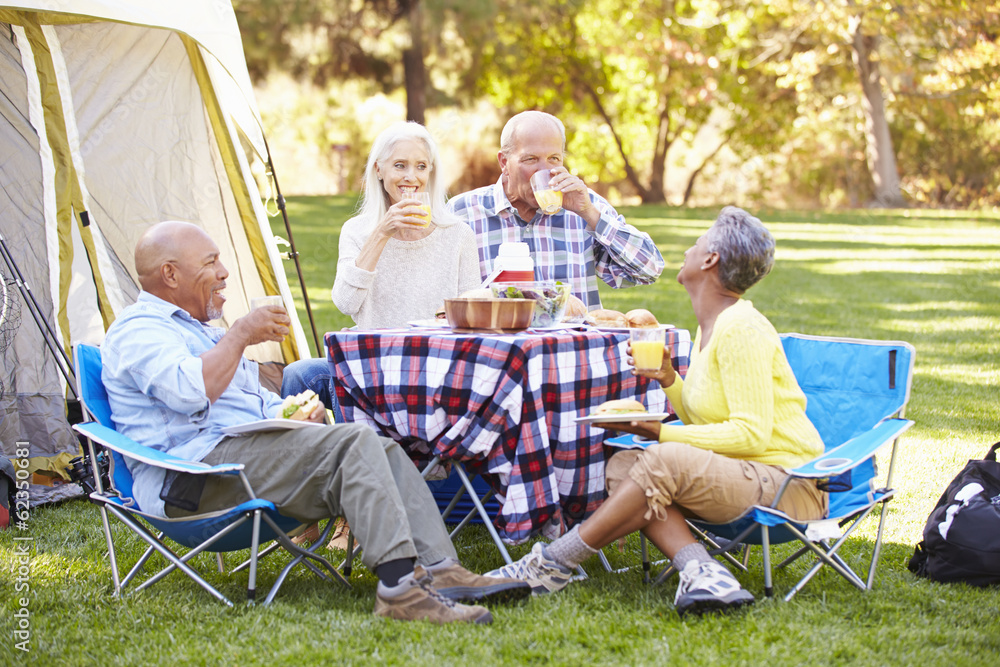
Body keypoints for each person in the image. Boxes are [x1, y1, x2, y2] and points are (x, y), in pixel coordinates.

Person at [101, 221, 529, 624]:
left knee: (380, 446)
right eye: (210, 262)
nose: (224, 272)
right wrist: (242, 334)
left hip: (242, 461)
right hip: (194, 480)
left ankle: (441, 570)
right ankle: (401, 591)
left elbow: (252, 406)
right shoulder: (138, 330)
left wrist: (295, 417)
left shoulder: (202, 332)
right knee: (354, 440)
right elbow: (190, 392)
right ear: (171, 274)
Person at [486, 207, 827, 617]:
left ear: (710, 260)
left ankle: (554, 562)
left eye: (698, 242)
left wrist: (659, 432)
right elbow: (709, 421)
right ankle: (703, 572)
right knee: (626, 463)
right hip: (744, 473)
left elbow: (749, 435)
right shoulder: (710, 326)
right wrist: (669, 378)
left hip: (790, 486)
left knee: (660, 459)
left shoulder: (741, 329)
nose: (689, 248)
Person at [282, 120, 480, 421]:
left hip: (436, 365)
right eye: (400, 165)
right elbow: (346, 303)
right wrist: (381, 233)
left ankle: (372, 454)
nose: (411, 177)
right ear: (379, 170)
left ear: (431, 172)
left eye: (421, 166)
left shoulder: (458, 234)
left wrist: (447, 317)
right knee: (299, 374)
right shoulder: (358, 231)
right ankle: (316, 460)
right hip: (370, 363)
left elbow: (474, 316)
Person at [447, 110, 665, 310]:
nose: (545, 170)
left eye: (554, 159)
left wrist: (590, 214)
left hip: (569, 349)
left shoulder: (584, 209)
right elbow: (439, 294)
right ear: (504, 162)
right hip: (495, 347)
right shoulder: (463, 212)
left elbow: (649, 270)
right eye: (531, 159)